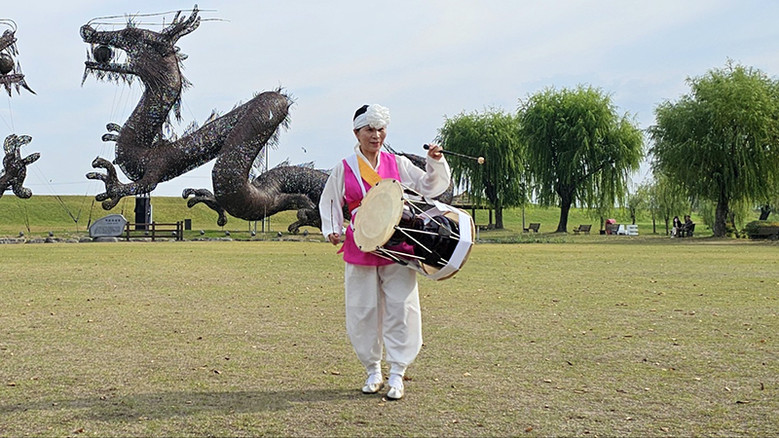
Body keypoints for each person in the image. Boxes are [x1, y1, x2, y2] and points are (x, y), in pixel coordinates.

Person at [318, 104, 451, 400]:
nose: (375, 135)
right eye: (369, 129)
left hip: (397, 244)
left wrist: (435, 162)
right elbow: (330, 199)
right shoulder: (345, 167)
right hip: (361, 243)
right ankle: (373, 369)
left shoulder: (398, 163)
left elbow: (428, 187)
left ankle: (397, 372)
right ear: (356, 133)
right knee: (362, 308)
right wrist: (332, 228)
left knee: (401, 307)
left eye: (380, 129)